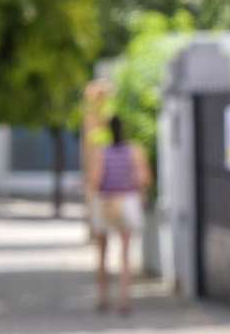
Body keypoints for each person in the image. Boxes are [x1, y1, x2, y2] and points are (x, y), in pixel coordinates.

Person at [89, 115, 148, 314]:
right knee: (125, 255)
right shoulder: (134, 150)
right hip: (127, 202)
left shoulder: (102, 152)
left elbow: (95, 180)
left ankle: (103, 297)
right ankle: (124, 300)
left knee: (102, 254)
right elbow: (143, 177)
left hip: (105, 203)